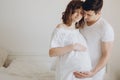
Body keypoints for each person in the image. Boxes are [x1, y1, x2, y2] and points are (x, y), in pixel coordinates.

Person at [49, 0, 92, 80]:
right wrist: (73, 46)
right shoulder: (61, 28)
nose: (79, 15)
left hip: (82, 73)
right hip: (68, 72)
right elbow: (52, 52)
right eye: (76, 12)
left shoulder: (77, 29)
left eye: (81, 13)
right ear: (70, 11)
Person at [73, 0, 114, 80]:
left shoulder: (106, 28)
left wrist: (93, 72)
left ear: (99, 13)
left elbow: (106, 54)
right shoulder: (82, 21)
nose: (85, 17)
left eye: (89, 14)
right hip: (79, 66)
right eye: (84, 13)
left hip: (94, 70)